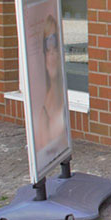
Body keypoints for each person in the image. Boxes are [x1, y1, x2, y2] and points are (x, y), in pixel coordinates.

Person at [35, 15, 66, 155]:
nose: (52, 52)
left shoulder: (65, 98)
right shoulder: (43, 111)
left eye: (56, 45)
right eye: (47, 46)